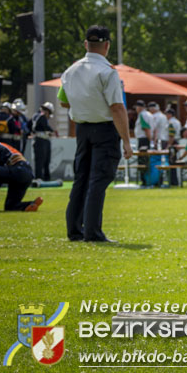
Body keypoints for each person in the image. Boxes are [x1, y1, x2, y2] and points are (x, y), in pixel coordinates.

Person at [58, 25, 132, 242]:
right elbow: (117, 107)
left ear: (85, 44)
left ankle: (74, 229)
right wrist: (127, 141)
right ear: (107, 45)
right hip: (105, 129)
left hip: (82, 128)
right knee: (98, 180)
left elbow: (63, 101)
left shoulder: (70, 71)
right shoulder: (107, 72)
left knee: (81, 178)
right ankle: (93, 232)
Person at [0, 141, 42, 211]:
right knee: (10, 206)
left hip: (17, 170)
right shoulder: (1, 146)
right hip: (27, 174)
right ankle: (31, 204)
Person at [30, 102, 55, 181]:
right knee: (40, 160)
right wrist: (52, 131)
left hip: (44, 140)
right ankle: (39, 177)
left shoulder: (38, 116)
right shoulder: (40, 116)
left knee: (46, 160)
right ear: (47, 111)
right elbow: (45, 127)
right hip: (40, 140)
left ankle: (46, 177)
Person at [133, 100, 154, 186]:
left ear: (139, 107)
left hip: (143, 140)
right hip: (147, 139)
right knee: (146, 161)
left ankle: (144, 181)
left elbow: (146, 128)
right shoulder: (149, 114)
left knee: (142, 161)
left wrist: (150, 140)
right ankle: (147, 180)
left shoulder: (142, 114)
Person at [165, 107, 182, 186]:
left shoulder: (171, 122)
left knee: (171, 162)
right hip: (176, 142)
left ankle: (173, 181)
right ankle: (174, 181)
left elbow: (171, 135)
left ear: (170, 114)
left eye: (167, 114)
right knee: (173, 162)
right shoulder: (177, 121)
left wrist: (168, 145)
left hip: (172, 143)